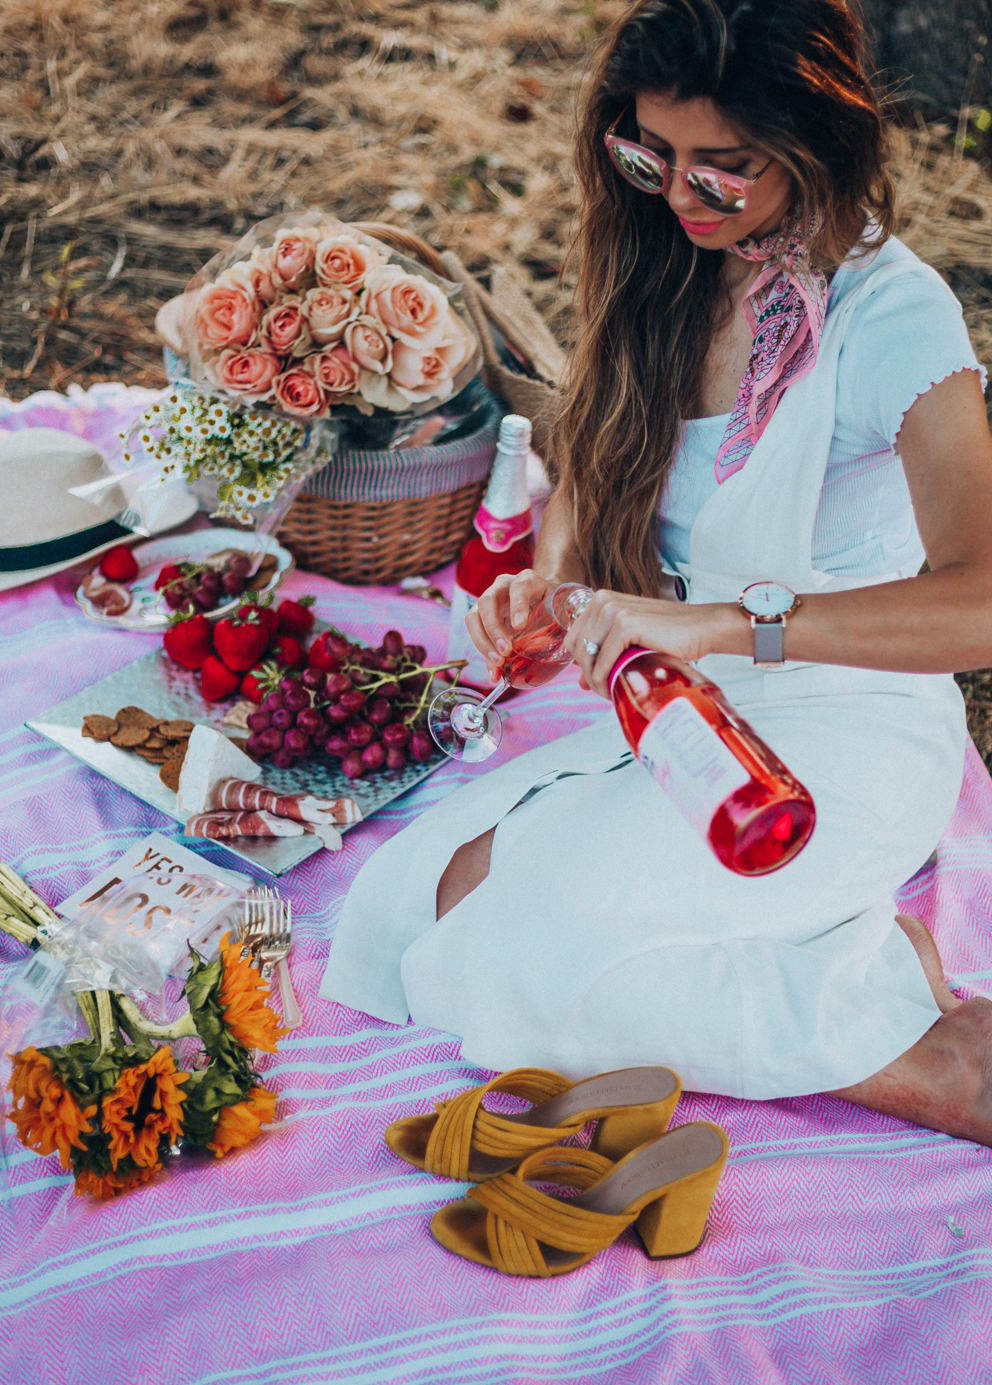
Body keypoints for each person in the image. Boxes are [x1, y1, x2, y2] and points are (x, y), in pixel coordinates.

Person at [322, 0, 992, 1145]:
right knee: (421, 903)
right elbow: (587, 507)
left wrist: (725, 626)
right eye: (648, 153)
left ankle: (906, 1046)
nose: (678, 195)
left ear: (811, 149)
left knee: (518, 951)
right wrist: (545, 596)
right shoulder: (663, 263)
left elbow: (979, 603)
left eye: (722, 171)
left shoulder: (892, 315)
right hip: (689, 715)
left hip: (847, 727)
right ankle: (841, 978)